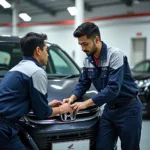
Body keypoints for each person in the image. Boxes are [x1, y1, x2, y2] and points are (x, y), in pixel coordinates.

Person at [63, 22, 142, 150]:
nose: (82, 48)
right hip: (109, 110)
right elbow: (83, 83)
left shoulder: (115, 55)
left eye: (85, 44)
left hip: (129, 109)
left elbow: (113, 89)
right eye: (80, 44)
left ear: (97, 39)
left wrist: (85, 103)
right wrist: (72, 97)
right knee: (102, 147)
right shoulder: (88, 60)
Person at [0, 32, 72, 150]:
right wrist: (61, 109)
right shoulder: (36, 71)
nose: (47, 54)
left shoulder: (18, 68)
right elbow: (42, 113)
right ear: (38, 50)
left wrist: (47, 105)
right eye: (46, 50)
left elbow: (18, 99)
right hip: (4, 127)